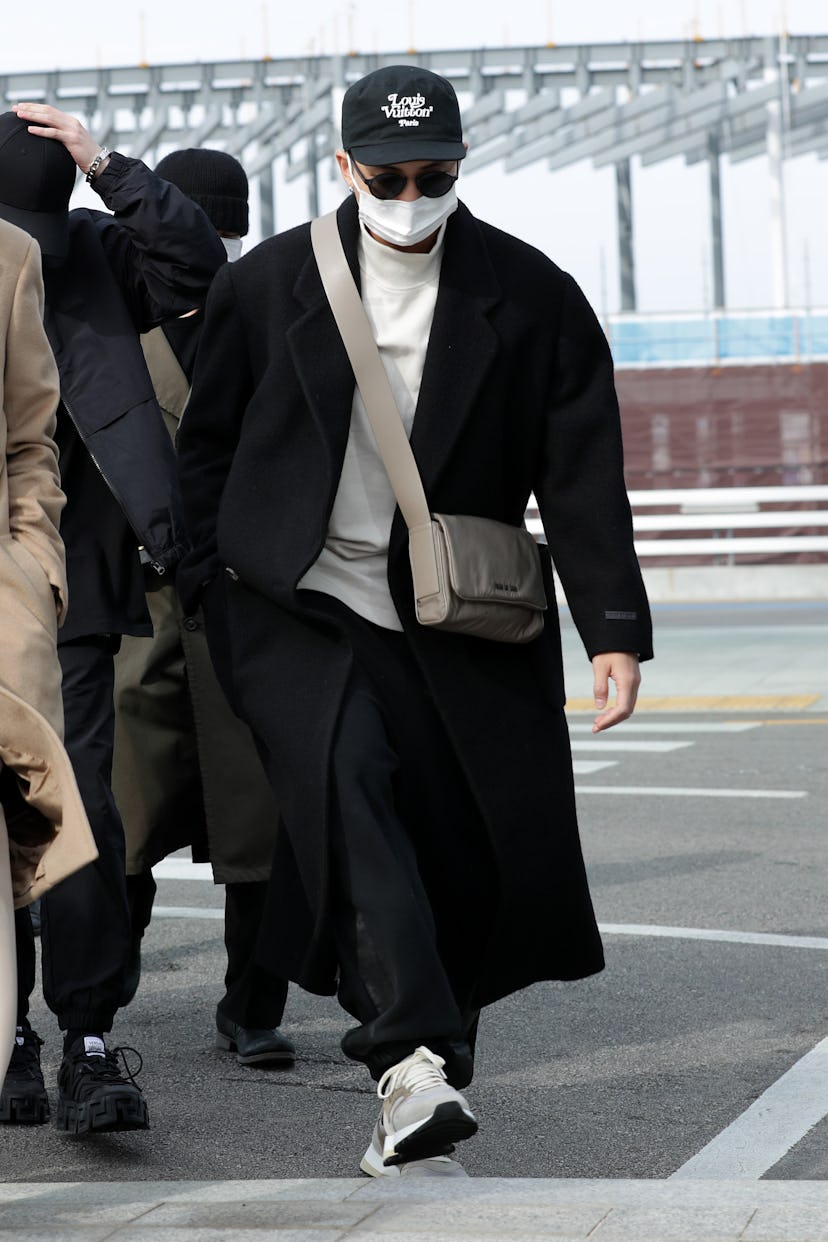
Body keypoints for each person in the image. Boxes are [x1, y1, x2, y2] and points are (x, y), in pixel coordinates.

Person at [177, 64, 653, 1176]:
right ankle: (409, 1066)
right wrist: (210, 587)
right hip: (294, 603)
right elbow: (207, 450)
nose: (409, 196)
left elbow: (581, 477)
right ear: (344, 166)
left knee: (458, 837)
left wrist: (615, 630)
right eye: (386, 175)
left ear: (460, 168)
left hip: (458, 615)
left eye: (433, 175)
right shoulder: (274, 286)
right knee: (345, 783)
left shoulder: (532, 295)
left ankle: (435, 1039)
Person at [0, 103, 225, 1133]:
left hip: (71, 591)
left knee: (73, 815)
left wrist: (103, 165)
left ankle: (85, 1035)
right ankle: (12, 1038)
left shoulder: (90, 248)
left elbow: (197, 271)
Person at [112, 147, 294, 1067]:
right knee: (130, 825)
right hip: (141, 606)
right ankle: (99, 1010)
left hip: (233, 600)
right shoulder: (112, 323)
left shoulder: (263, 322)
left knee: (252, 823)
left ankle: (249, 1007)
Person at [0, 217, 97, 1097]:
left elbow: (33, 437)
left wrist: (36, 571)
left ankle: (16, 1036)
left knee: (23, 825)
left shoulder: (10, 255)